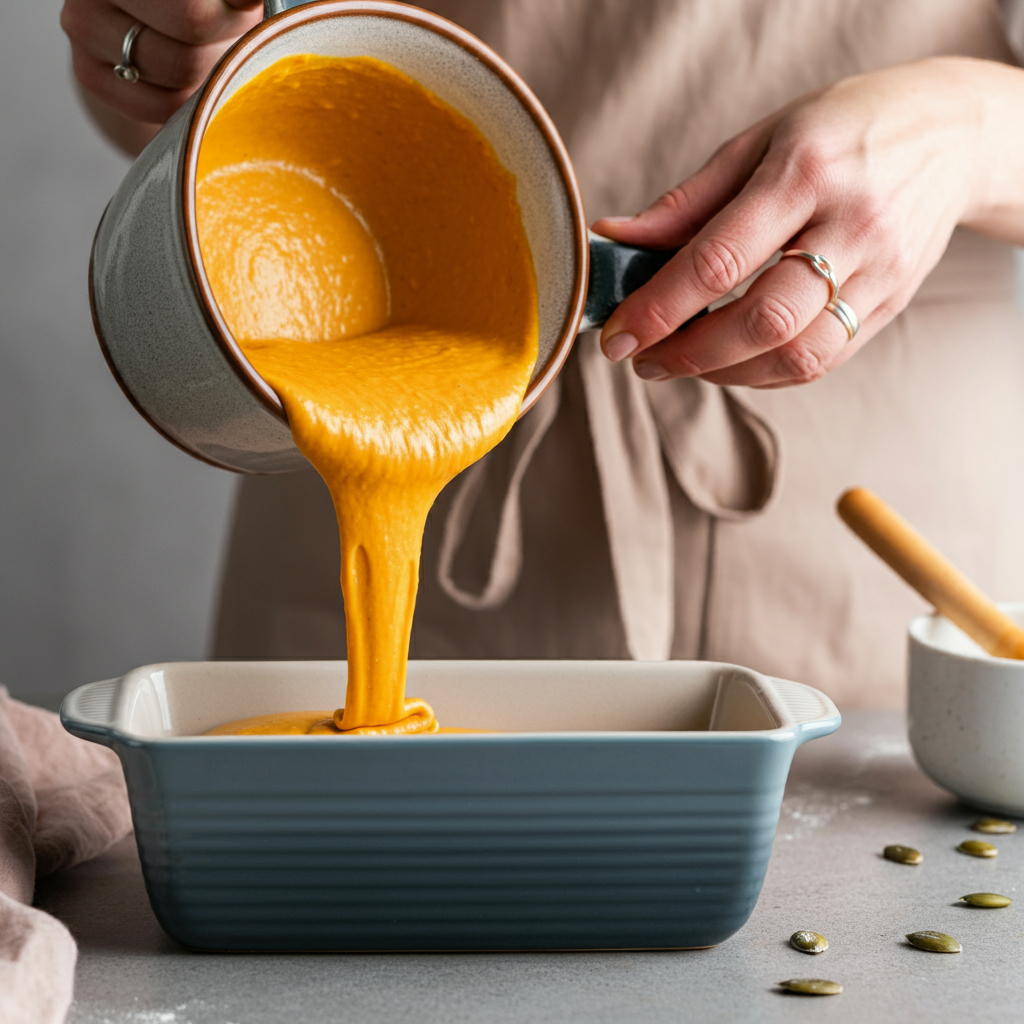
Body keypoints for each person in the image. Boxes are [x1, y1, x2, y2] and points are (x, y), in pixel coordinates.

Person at [62, 0, 1024, 709]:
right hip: (377, 442)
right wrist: (156, 45)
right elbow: (162, 99)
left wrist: (964, 130)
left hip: (854, 524)